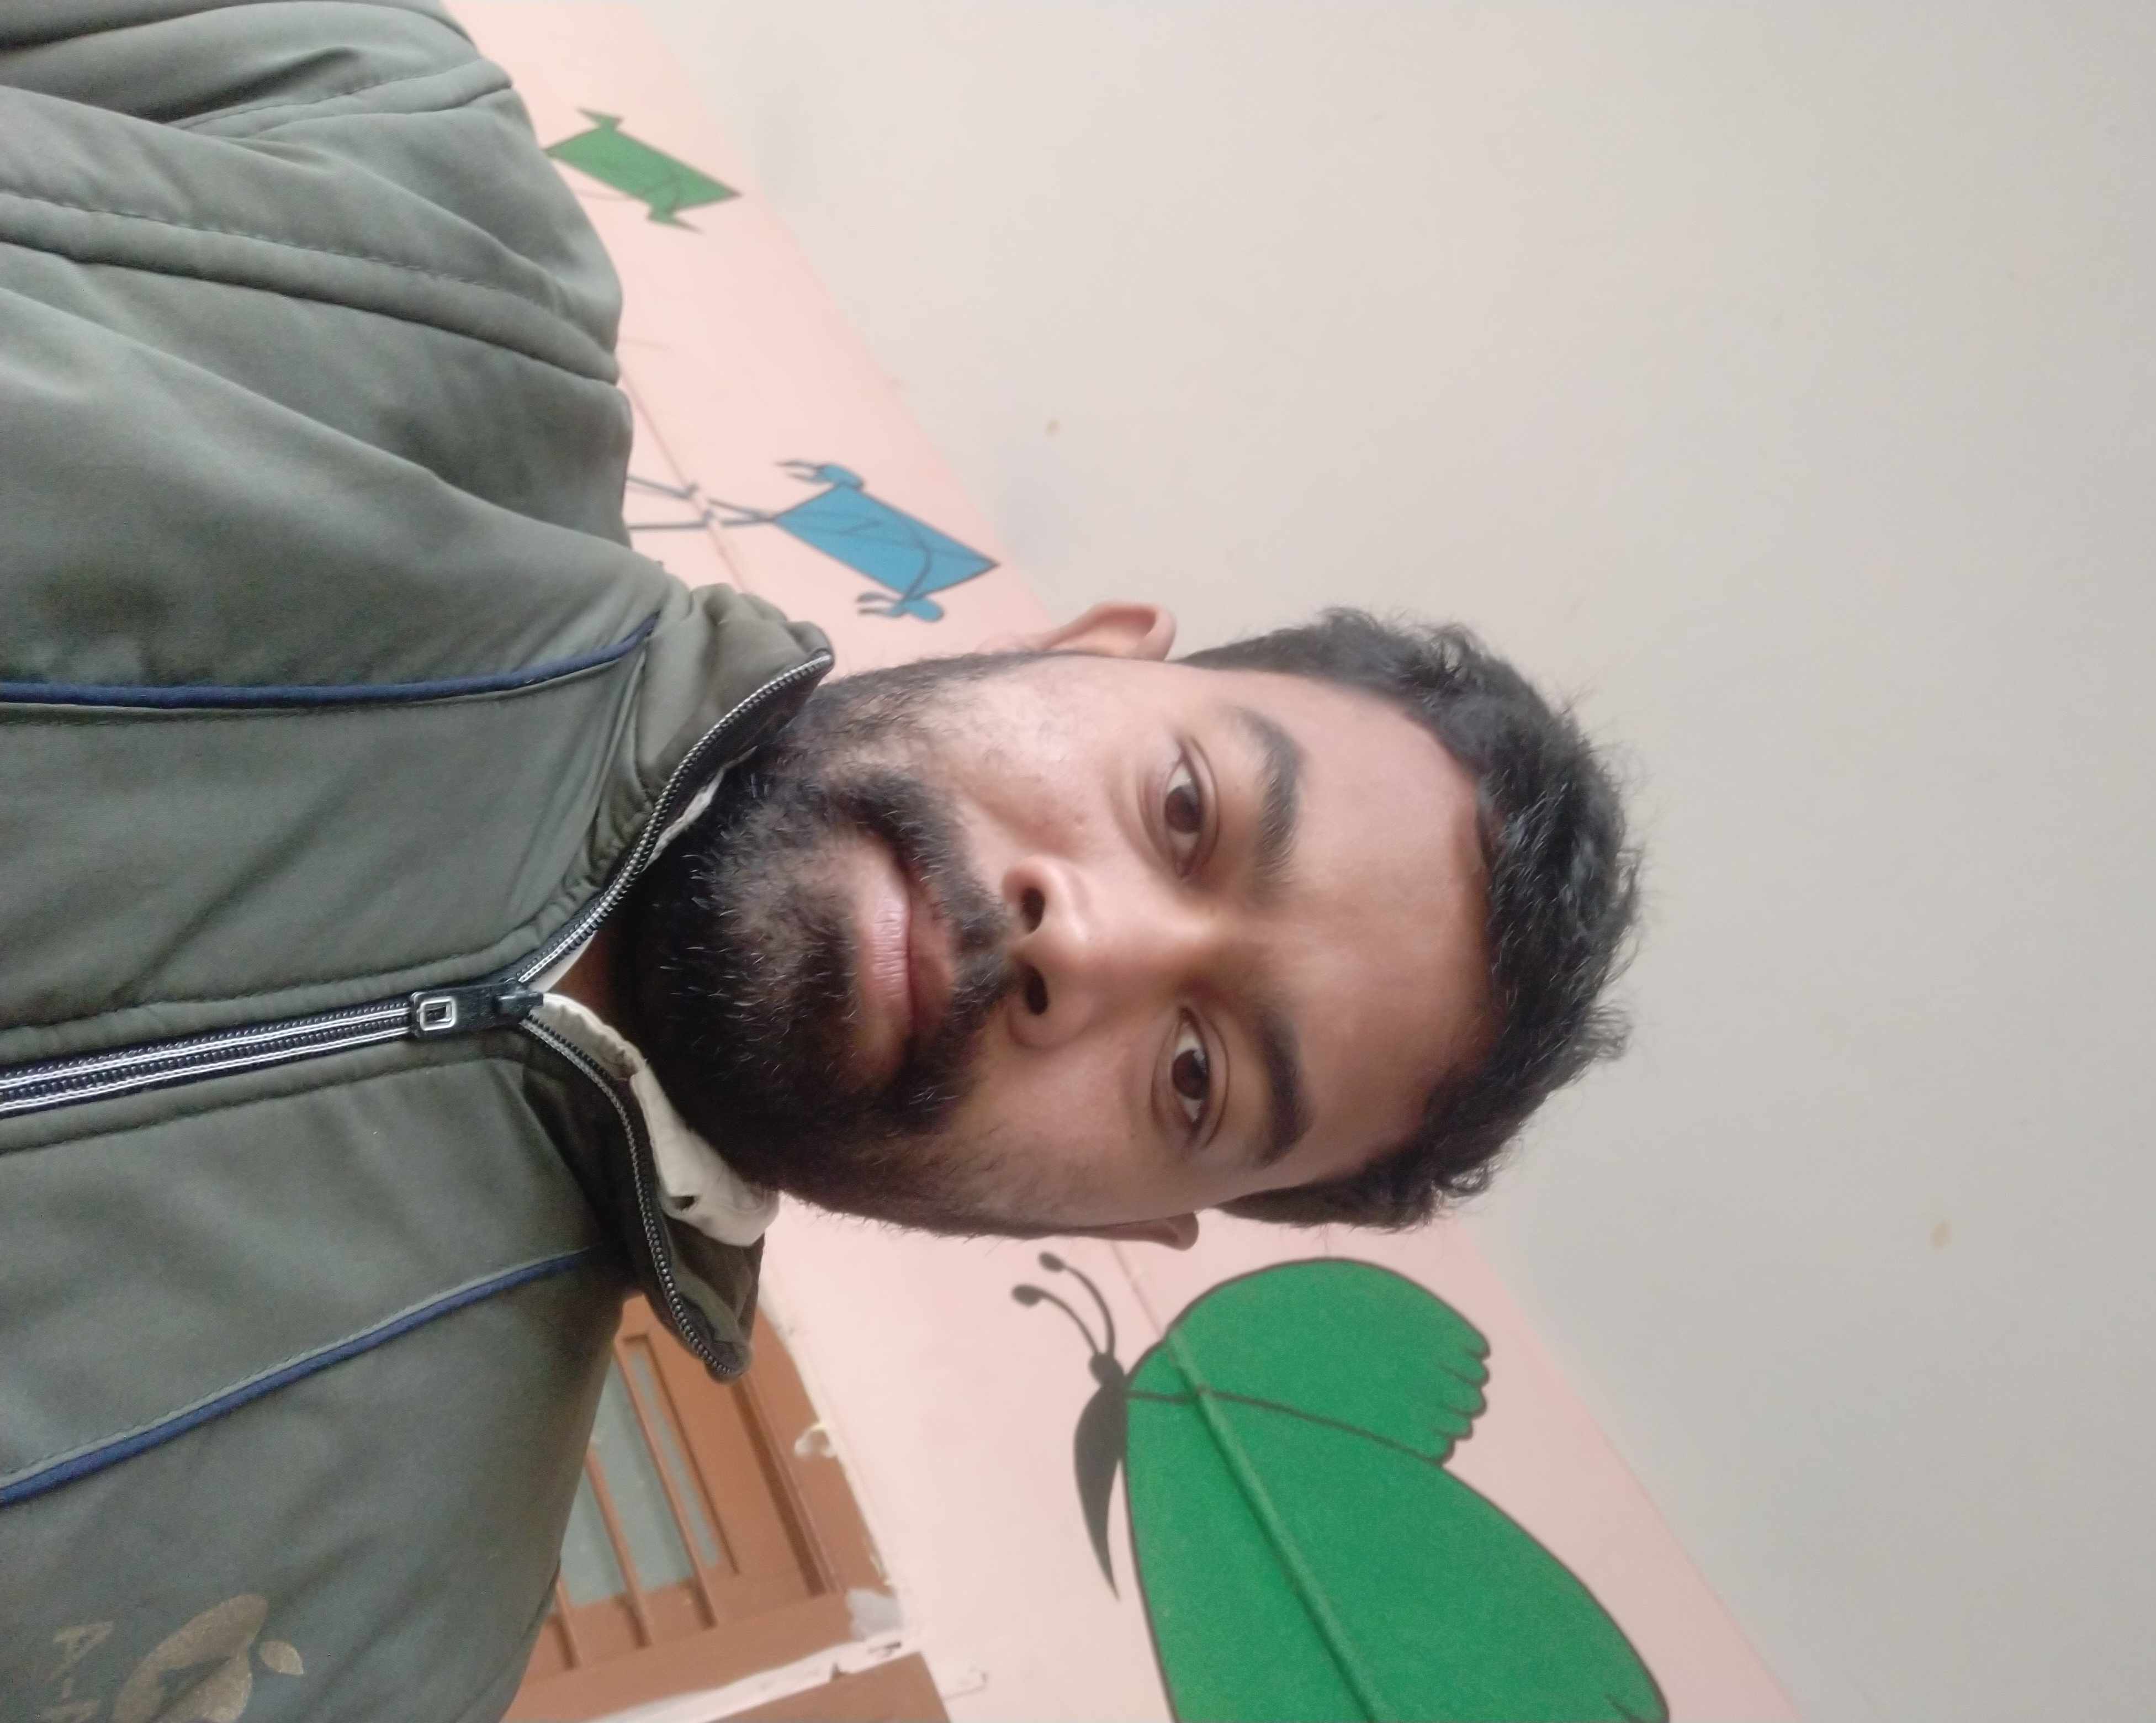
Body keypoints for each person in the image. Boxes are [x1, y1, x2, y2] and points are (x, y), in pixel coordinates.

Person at [0, 1, 1634, 1715]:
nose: (1086, 943)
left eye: (1196, 1074)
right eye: (1185, 810)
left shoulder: (390, 1641)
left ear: (1144, 1221)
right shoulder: (396, 182)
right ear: (1087, 648)